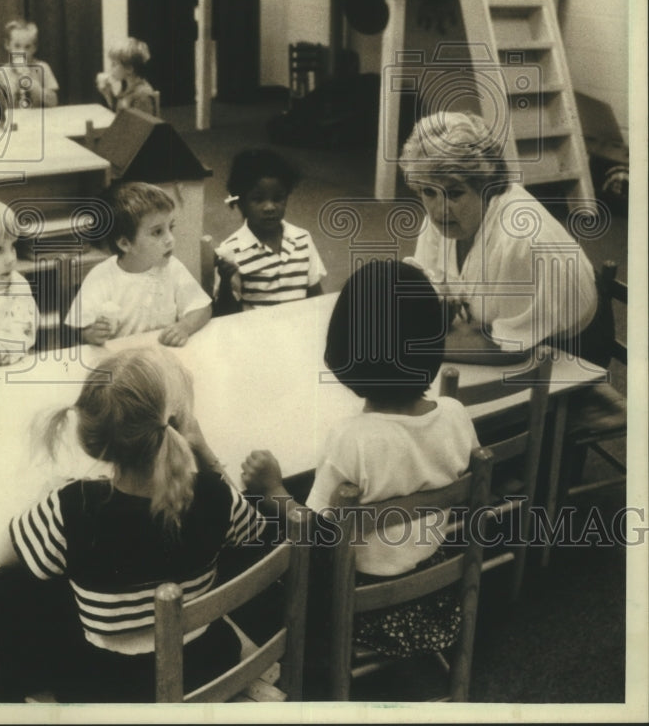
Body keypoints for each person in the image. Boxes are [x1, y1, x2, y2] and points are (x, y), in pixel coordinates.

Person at [0, 346, 267, 702]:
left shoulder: (70, 506)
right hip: (206, 667)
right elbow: (254, 529)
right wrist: (202, 449)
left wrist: (50, 499)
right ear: (175, 426)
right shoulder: (214, 494)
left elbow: (5, 555)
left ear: (94, 440)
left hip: (114, 690)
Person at [243, 258, 479, 659]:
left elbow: (316, 532)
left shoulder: (350, 440)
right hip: (437, 588)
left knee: (263, 538)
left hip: (363, 604)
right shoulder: (456, 414)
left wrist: (272, 489)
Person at [398, 111, 599, 362]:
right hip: (491, 326)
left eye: (456, 193)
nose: (440, 209)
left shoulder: (520, 239)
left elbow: (512, 349)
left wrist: (408, 347)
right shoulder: (443, 219)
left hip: (567, 351)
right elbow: (428, 288)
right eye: (428, 191)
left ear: (487, 186)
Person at [65, 181, 211, 346]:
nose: (170, 239)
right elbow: (79, 328)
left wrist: (184, 326)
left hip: (161, 355)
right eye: (157, 232)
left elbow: (202, 308)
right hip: (119, 361)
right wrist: (91, 334)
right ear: (125, 244)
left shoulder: (172, 268)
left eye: (171, 227)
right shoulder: (102, 276)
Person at [214, 148, 327, 315]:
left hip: (298, 327)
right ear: (241, 202)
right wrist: (225, 280)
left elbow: (315, 294)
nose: (269, 207)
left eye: (277, 198)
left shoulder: (302, 238)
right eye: (258, 199)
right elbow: (225, 314)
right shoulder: (231, 250)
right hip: (257, 333)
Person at [0, 196, 38, 367]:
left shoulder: (17, 288)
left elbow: (15, 342)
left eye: (13, 246)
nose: (11, 258)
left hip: (7, 374)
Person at [0, 19, 59, 108]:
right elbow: (0, 107)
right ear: (7, 45)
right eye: (17, 46)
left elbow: (54, 101)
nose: (22, 52)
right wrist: (12, 90)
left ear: (34, 48)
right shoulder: (2, 72)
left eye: (27, 47)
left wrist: (34, 86)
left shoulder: (42, 68)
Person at [96, 38, 158, 116]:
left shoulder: (142, 95)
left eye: (114, 64)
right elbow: (119, 112)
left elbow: (141, 126)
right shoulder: (126, 87)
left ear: (129, 69)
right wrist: (107, 92)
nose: (110, 68)